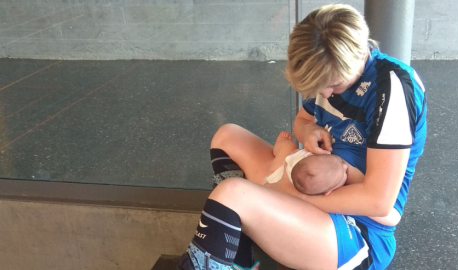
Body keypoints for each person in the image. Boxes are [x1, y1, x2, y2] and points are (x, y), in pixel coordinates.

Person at [172, 3, 427, 270]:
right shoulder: (326, 68)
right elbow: (303, 120)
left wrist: (296, 196)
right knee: (228, 137)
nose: (326, 94)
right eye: (319, 87)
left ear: (358, 54)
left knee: (231, 193)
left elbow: (380, 202)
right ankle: (238, 256)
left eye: (334, 84)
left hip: (357, 230)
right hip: (309, 183)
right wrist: (307, 131)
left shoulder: (393, 89)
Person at [265, 131, 360, 196]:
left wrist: (297, 152)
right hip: (278, 180)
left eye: (343, 173)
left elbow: (291, 155)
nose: (345, 166)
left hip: (275, 175)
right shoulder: (320, 186)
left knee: (288, 146)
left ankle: (281, 144)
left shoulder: (307, 157)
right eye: (340, 162)